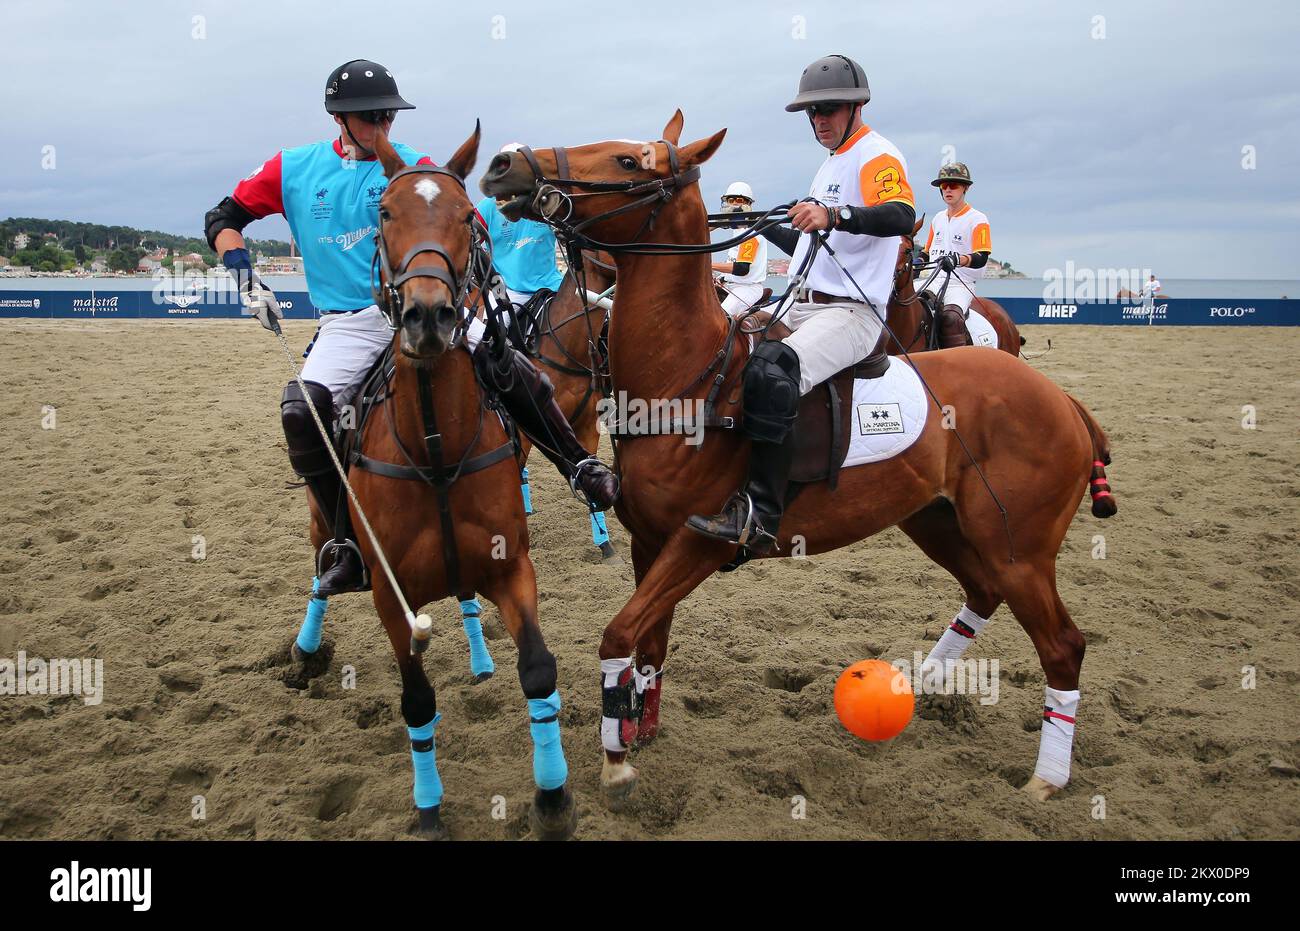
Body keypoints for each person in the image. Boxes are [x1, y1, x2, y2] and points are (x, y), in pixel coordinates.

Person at [204, 59, 617, 596]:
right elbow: (223, 216)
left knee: (505, 359)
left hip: (419, 312)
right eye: (370, 116)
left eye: (387, 114)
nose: (382, 125)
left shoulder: (415, 168)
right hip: (349, 323)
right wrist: (241, 271)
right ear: (341, 119)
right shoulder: (293, 169)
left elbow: (463, 214)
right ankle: (342, 541)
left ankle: (578, 466)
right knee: (301, 410)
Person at [687, 54, 916, 552]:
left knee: (773, 371)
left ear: (856, 107)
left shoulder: (876, 154)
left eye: (829, 109)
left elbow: (900, 214)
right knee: (725, 350)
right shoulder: (831, 164)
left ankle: (762, 515)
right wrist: (765, 224)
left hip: (852, 313)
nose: (819, 120)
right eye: (812, 113)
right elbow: (815, 245)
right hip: (803, 303)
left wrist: (834, 213)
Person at [476, 144, 565, 310]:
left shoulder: (544, 202)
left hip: (552, 287)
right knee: (489, 334)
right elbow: (468, 241)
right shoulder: (487, 207)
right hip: (506, 292)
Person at [918, 162, 992, 348]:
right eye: (944, 186)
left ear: (965, 188)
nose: (948, 190)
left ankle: (958, 363)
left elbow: (981, 257)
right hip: (934, 280)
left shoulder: (978, 219)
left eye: (954, 186)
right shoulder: (938, 219)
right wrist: (917, 262)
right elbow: (927, 252)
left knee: (951, 319)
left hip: (960, 284)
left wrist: (959, 259)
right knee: (910, 306)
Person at [712, 181, 769, 315]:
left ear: (748, 204)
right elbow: (703, 229)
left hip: (746, 288)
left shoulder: (750, 233)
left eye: (739, 200)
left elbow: (741, 268)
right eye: (731, 200)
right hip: (729, 284)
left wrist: (708, 266)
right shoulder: (736, 229)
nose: (735, 204)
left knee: (721, 316)